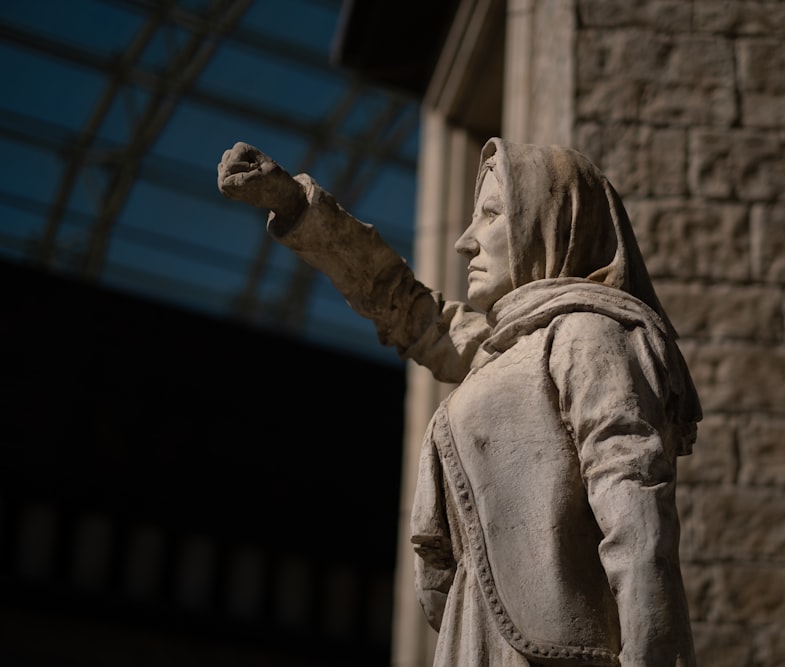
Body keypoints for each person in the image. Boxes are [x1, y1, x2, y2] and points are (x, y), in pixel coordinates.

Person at [218, 137, 702, 666]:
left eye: (491, 215)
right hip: (471, 639)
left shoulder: (587, 334)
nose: (465, 242)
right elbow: (404, 306)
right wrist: (294, 206)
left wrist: (653, 653)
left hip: (554, 650)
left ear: (549, 220)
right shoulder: (502, 351)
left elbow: (635, 515)